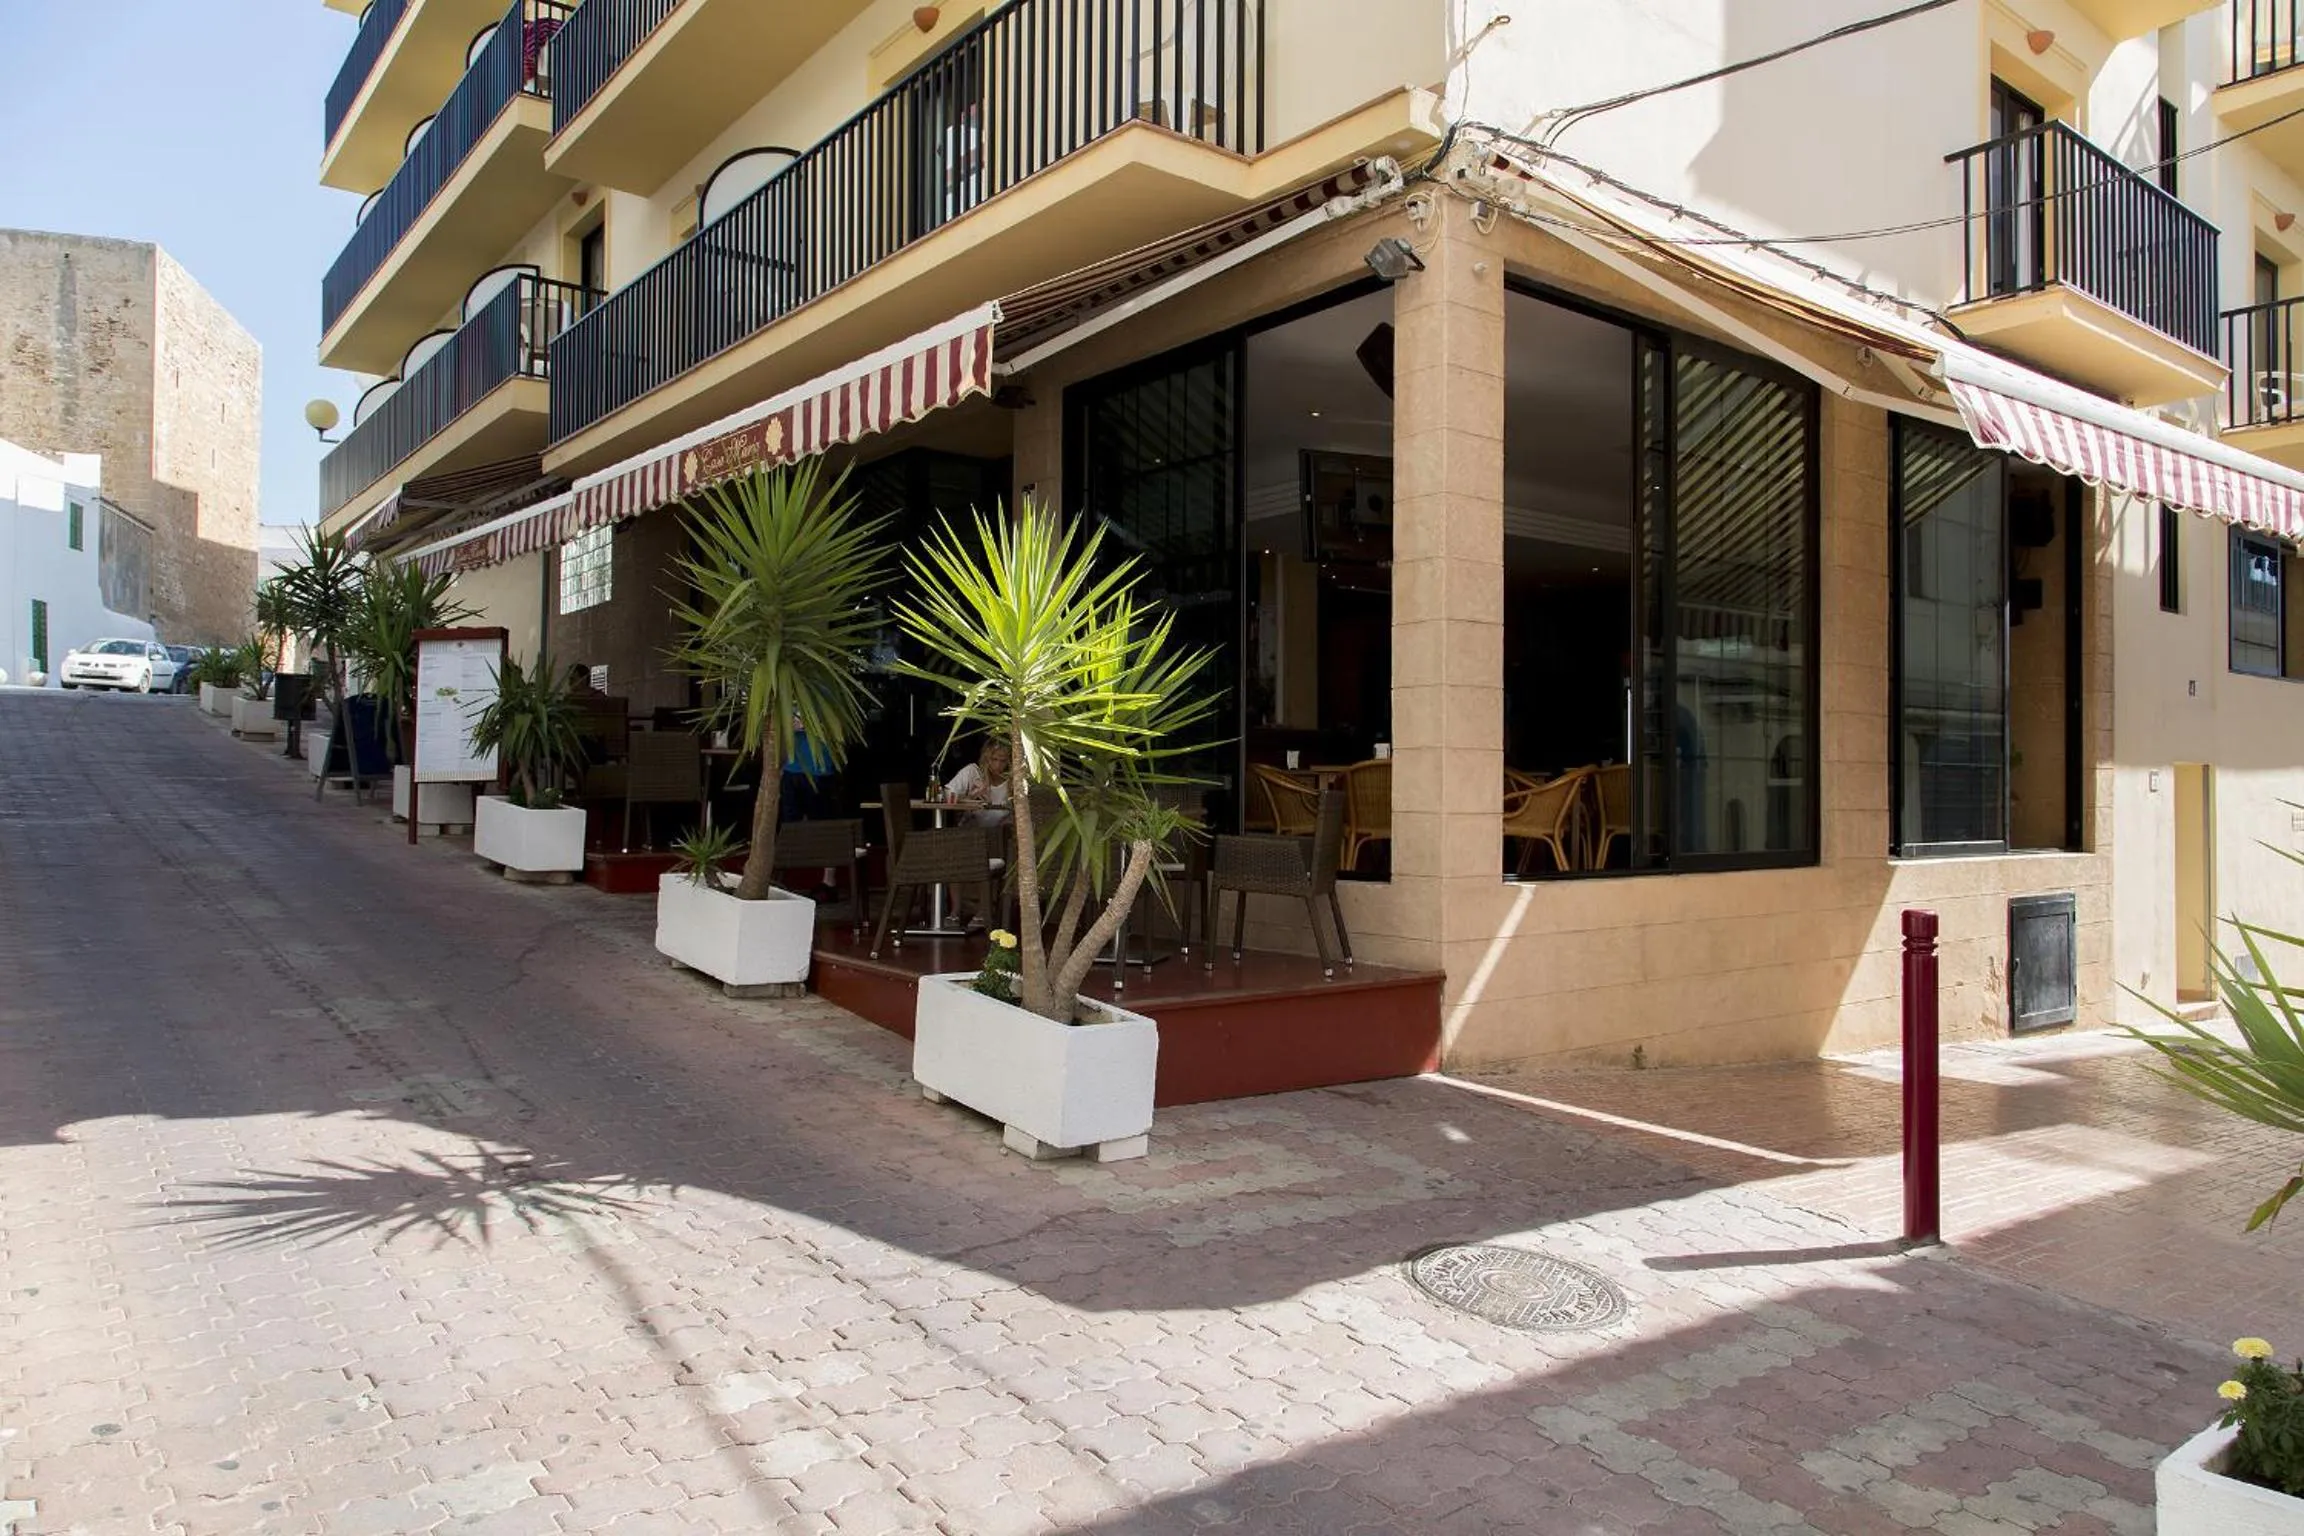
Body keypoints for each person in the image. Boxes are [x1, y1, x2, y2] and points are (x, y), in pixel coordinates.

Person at [943, 736, 1012, 828]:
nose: (997, 765)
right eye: (994, 759)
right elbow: (947, 793)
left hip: (1000, 835)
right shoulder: (972, 772)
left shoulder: (1013, 781)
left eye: (1003, 761)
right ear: (986, 758)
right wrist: (971, 797)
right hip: (971, 833)